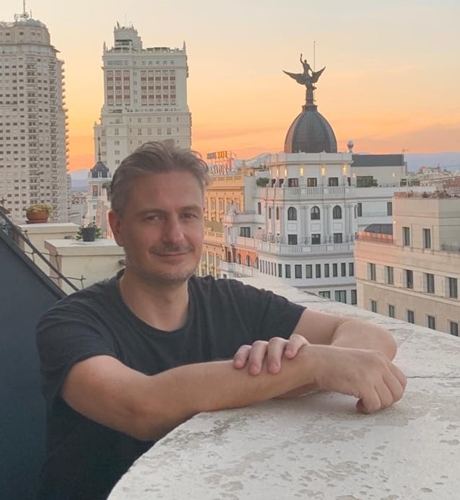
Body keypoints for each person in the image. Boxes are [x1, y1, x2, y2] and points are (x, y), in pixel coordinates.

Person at [36, 141, 406, 499]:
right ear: (116, 227)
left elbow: (370, 337)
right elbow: (141, 406)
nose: (175, 236)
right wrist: (307, 366)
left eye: (188, 215)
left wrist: (303, 367)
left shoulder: (231, 301)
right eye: (153, 218)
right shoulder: (71, 324)